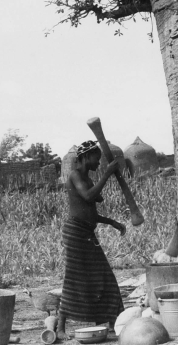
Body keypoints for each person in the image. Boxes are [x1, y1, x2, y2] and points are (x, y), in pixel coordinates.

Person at [56, 140, 126, 340]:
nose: (99, 163)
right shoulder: (75, 175)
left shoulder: (86, 178)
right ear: (86, 157)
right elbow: (87, 197)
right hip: (75, 234)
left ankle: (110, 321)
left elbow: (90, 212)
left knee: (103, 276)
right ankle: (60, 328)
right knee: (74, 278)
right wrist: (107, 174)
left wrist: (112, 222)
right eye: (97, 158)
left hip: (87, 233)